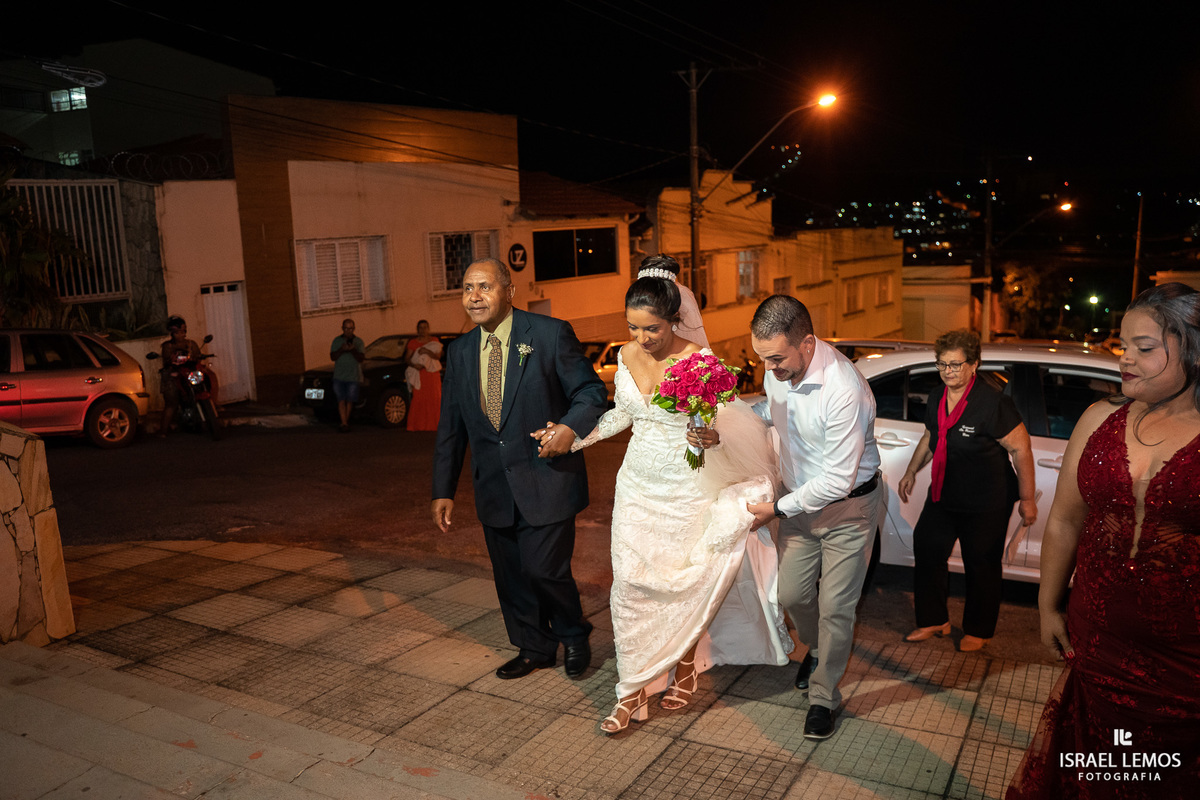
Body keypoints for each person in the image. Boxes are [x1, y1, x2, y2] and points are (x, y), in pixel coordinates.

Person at [561, 267, 791, 734]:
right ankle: (631, 691)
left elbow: (722, 424)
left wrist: (709, 437)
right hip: (637, 486)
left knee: (682, 583)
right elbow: (623, 414)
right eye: (633, 327)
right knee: (630, 584)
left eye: (652, 328)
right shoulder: (625, 355)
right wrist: (574, 440)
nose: (641, 338)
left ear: (674, 320)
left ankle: (684, 666)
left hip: (686, 489)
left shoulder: (699, 361)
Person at [1007, 283, 1200, 799]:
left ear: (1194, 349)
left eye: (1144, 347)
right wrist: (1048, 606)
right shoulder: (1099, 418)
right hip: (1097, 639)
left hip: (1186, 657)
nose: (1125, 358)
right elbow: (1065, 521)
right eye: (1122, 345)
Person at [431, 258, 606, 682]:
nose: (474, 296)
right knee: (510, 576)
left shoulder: (548, 334)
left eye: (485, 286)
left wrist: (568, 428)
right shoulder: (459, 352)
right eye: (467, 288)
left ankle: (574, 633)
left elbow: (590, 391)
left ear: (509, 292)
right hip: (493, 485)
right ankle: (534, 647)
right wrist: (443, 489)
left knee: (543, 569)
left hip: (547, 478)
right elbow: (451, 426)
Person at [745, 295, 883, 740]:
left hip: (848, 510)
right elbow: (772, 411)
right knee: (791, 593)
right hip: (798, 504)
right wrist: (730, 420)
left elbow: (839, 480)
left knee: (836, 608)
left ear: (806, 343)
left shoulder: (844, 388)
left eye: (776, 359)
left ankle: (824, 696)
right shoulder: (778, 371)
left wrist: (776, 509)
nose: (768, 368)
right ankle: (820, 649)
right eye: (761, 358)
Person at [897, 330, 1037, 652]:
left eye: (956, 365)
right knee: (927, 549)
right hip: (944, 494)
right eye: (942, 364)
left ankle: (978, 629)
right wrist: (911, 471)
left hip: (986, 500)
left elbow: (1021, 450)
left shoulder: (993, 403)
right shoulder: (937, 397)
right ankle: (934, 620)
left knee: (981, 564)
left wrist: (1027, 499)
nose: (948, 371)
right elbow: (931, 436)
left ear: (974, 365)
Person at [158, 315, 206, 436]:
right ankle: (163, 431)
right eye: (178, 332)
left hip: (189, 374)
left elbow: (198, 357)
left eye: (183, 331)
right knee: (171, 404)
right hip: (173, 376)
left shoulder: (191, 344)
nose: (182, 334)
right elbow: (167, 360)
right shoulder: (167, 346)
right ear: (172, 333)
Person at [406, 320, 442, 431]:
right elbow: (407, 358)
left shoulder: (434, 341)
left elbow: (438, 356)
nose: (423, 330)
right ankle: (418, 425)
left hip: (432, 374)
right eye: (421, 328)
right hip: (420, 374)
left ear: (428, 328)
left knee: (434, 398)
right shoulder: (413, 343)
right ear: (417, 329)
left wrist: (426, 351)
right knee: (419, 398)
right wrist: (414, 365)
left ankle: (434, 424)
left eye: (425, 327)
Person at [330, 319, 364, 433]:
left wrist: (353, 350)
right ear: (342, 328)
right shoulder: (337, 341)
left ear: (354, 329)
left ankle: (345, 421)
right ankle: (344, 422)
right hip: (339, 376)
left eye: (350, 328)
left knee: (350, 400)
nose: (348, 331)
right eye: (346, 328)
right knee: (341, 399)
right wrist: (342, 349)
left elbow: (361, 358)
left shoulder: (358, 342)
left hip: (352, 376)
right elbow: (333, 357)